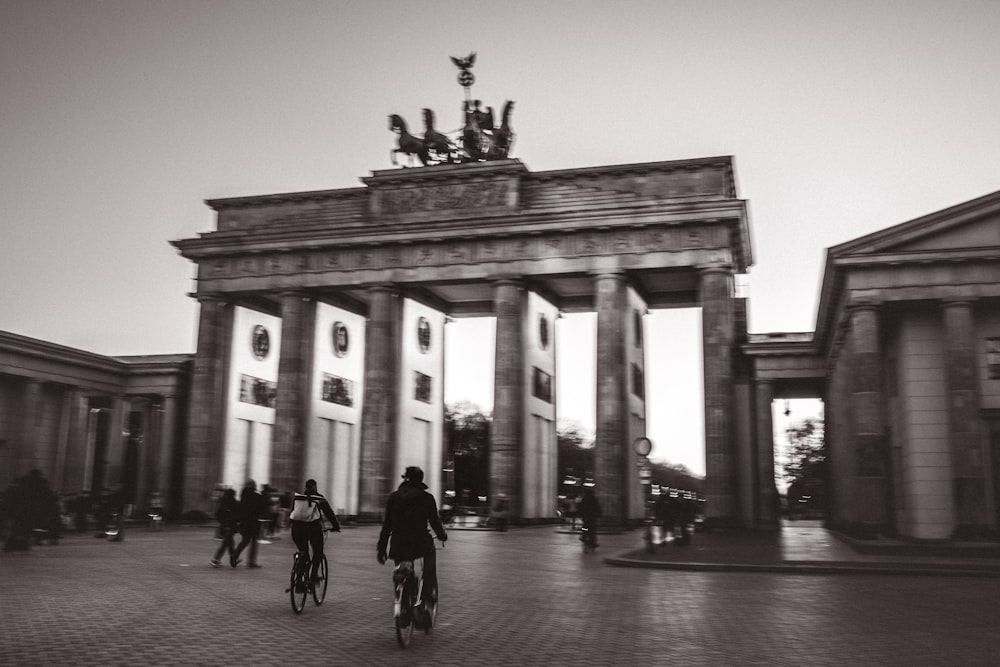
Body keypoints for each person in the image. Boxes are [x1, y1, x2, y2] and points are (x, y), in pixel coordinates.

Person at [377, 466, 448, 606]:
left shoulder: (393, 497)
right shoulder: (427, 498)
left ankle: (403, 601)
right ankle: (427, 595)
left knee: (402, 569)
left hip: (398, 543)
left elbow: (387, 526)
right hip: (420, 542)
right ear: (420, 479)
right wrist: (442, 535)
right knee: (429, 561)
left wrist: (381, 549)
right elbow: (434, 521)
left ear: (405, 478)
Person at [288, 479, 341, 585]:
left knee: (304, 552)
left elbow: (292, 513)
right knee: (318, 553)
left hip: (296, 529)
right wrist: (336, 526)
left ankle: (298, 579)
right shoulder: (319, 498)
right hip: (313, 529)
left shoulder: (298, 498)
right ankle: (312, 578)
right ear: (315, 487)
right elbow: (329, 513)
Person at [232, 479, 265, 568]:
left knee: (245, 541)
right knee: (254, 542)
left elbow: (240, 509)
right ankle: (251, 562)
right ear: (254, 486)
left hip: (245, 522)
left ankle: (234, 555)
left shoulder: (243, 496)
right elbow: (261, 507)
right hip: (254, 522)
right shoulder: (256, 496)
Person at [210, 488, 239, 568]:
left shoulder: (223, 503)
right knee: (226, 543)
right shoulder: (234, 503)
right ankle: (215, 560)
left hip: (224, 526)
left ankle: (233, 560)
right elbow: (238, 515)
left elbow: (217, 514)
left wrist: (222, 522)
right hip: (231, 526)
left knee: (230, 542)